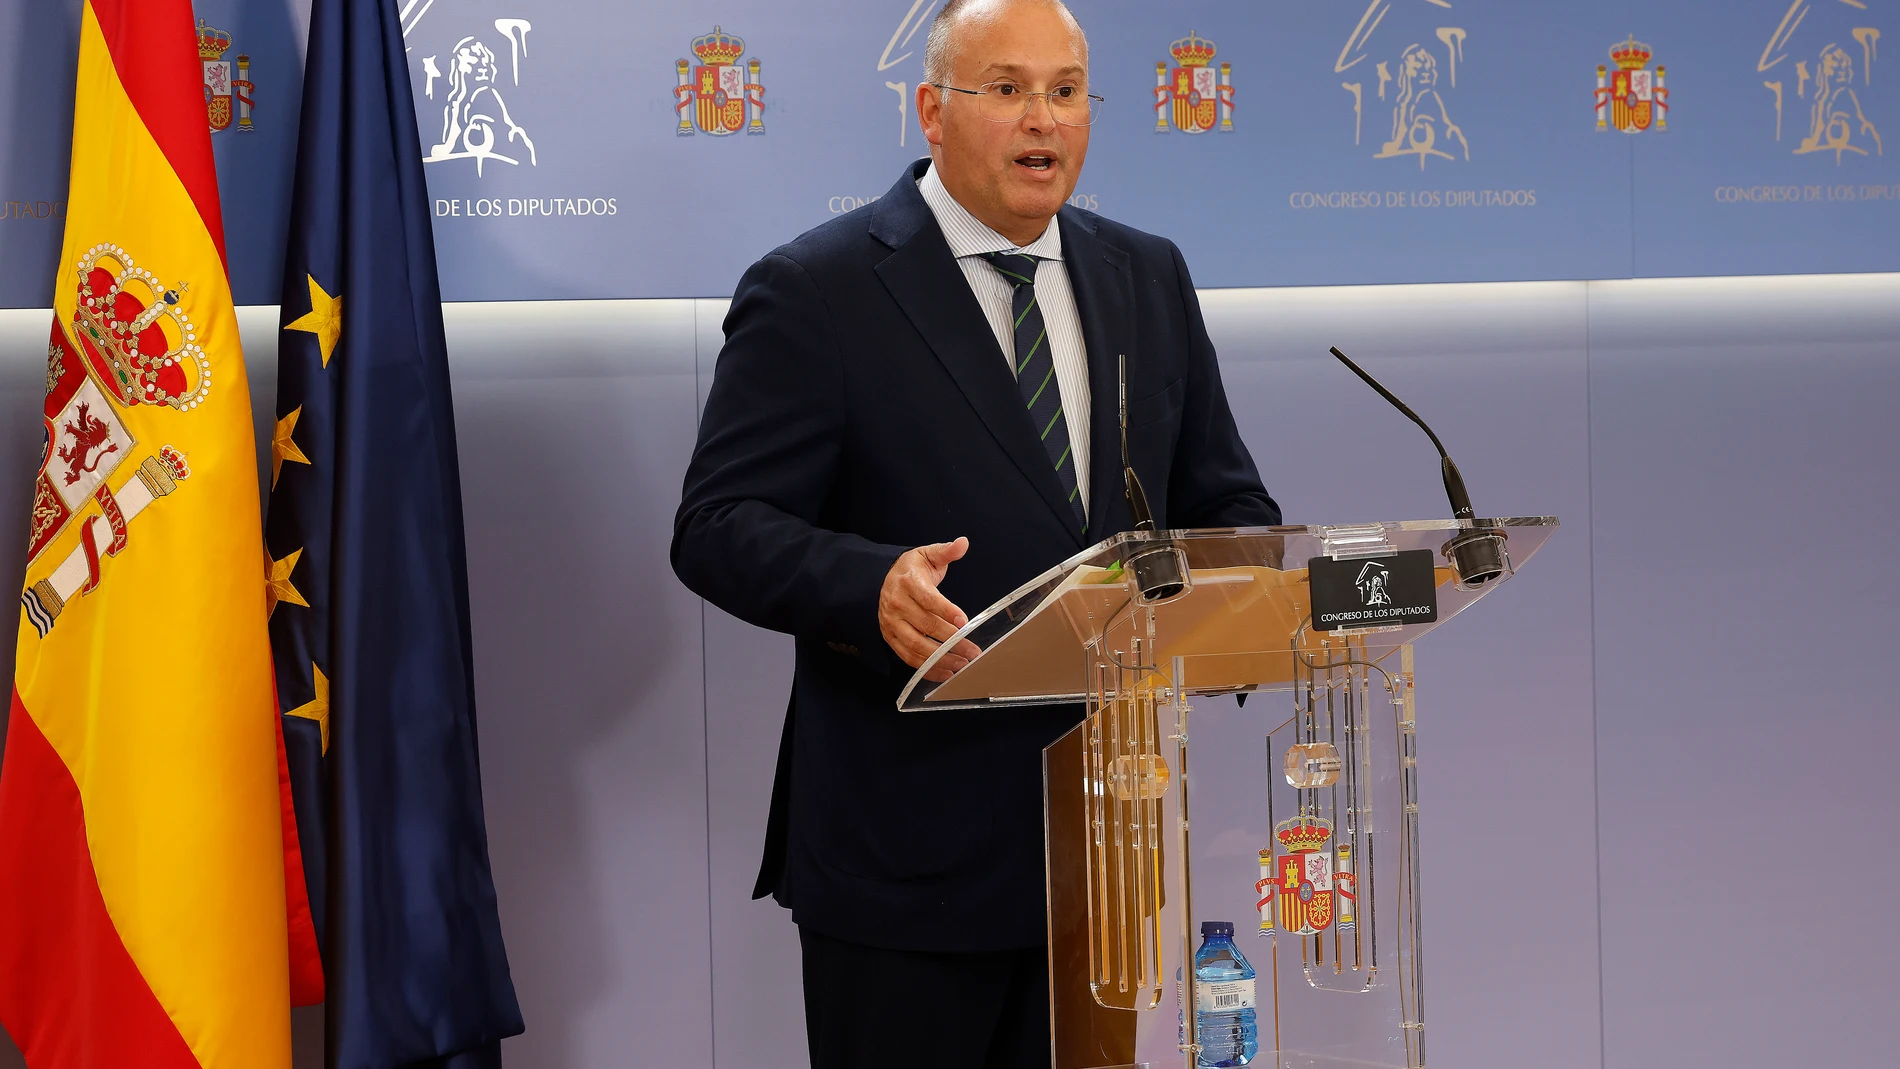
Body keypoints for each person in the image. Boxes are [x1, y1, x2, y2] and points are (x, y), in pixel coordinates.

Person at [670, 0, 1279, 1064]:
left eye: (1064, 90)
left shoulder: (1146, 275)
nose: (1040, 118)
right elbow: (717, 525)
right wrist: (865, 583)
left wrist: (1229, 601)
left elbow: (1229, 509)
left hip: (1099, 844)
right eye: (1004, 89)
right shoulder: (818, 289)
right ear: (932, 113)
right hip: (907, 856)